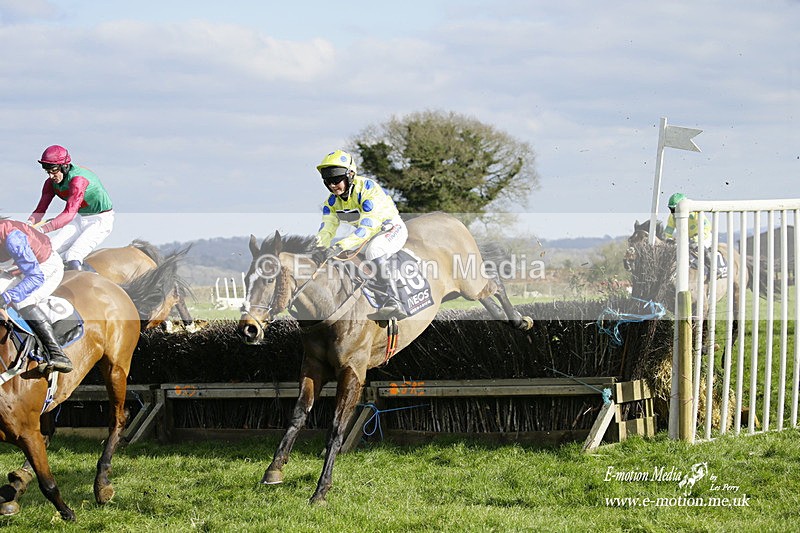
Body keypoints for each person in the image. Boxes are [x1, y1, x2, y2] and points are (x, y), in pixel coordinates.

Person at [311, 149, 409, 320]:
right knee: (345, 257)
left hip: (391, 229)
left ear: (350, 175)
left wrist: (340, 245)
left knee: (374, 251)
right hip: (367, 235)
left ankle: (395, 300)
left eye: (336, 179)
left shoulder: (368, 189)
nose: (332, 185)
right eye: (327, 181)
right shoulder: (331, 202)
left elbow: (367, 227)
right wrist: (319, 248)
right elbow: (327, 229)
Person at [0, 218, 73, 373]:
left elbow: (35, 277)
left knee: (23, 300)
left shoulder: (13, 239)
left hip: (44, 269)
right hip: (16, 270)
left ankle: (57, 353)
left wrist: (5, 298)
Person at [27, 145, 114, 271]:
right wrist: (28, 224)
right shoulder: (50, 183)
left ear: (65, 166)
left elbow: (69, 214)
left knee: (73, 256)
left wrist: (41, 230)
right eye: (48, 171)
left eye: (54, 170)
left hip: (100, 220)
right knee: (50, 250)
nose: (51, 176)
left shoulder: (78, 181)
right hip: (80, 218)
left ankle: (92, 284)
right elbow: (40, 209)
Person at [663, 192, 718, 276]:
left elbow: (707, 226)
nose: (673, 212)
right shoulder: (672, 217)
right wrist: (668, 238)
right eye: (671, 209)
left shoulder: (695, 213)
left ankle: (714, 270)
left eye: (674, 209)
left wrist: (698, 238)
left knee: (700, 248)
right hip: (686, 238)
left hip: (703, 237)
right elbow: (669, 229)